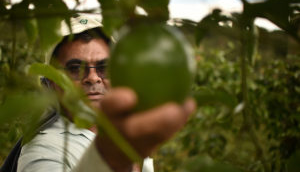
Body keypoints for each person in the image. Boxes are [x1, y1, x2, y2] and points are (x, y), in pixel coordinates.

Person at [14, 15, 196, 172]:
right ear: (52, 82)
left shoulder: (126, 131)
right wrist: (110, 159)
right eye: (75, 68)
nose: (93, 78)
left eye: (104, 67)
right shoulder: (42, 151)